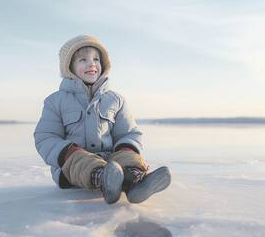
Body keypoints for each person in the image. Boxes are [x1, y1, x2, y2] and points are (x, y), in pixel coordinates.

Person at [34, 35, 171, 204]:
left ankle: (136, 182)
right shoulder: (55, 101)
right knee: (81, 161)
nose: (91, 64)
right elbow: (45, 137)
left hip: (112, 163)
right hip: (71, 165)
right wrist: (68, 152)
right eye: (83, 60)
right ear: (69, 67)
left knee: (126, 157)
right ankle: (103, 178)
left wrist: (127, 149)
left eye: (96, 59)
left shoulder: (115, 100)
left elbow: (129, 133)